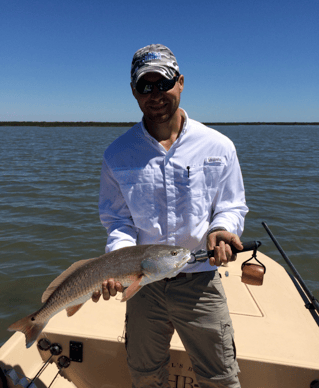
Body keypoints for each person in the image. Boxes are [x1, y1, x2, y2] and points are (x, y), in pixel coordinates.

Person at [92, 44, 248, 388]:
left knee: (221, 377)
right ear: (134, 92)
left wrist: (222, 228)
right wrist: (115, 264)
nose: (155, 95)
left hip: (200, 279)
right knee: (145, 376)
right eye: (145, 87)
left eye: (162, 83)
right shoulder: (117, 153)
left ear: (179, 83)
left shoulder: (218, 146)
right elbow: (118, 221)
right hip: (142, 285)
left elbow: (232, 205)